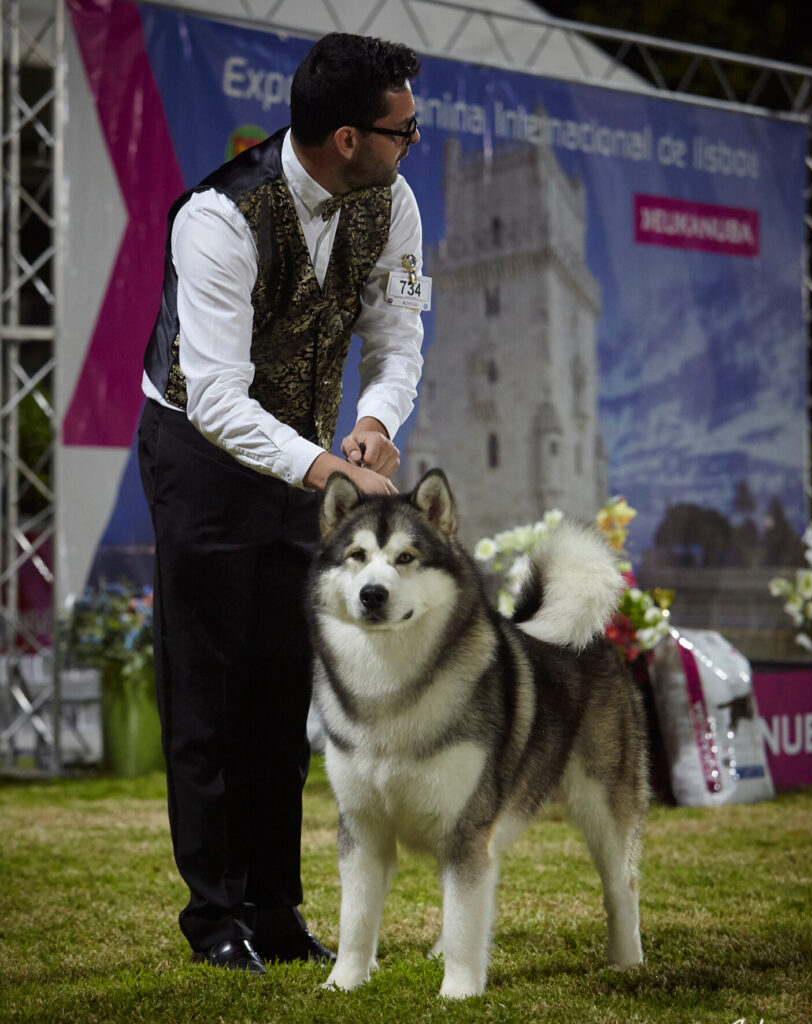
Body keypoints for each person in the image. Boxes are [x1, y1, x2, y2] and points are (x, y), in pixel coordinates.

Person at [137, 32, 424, 973]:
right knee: (208, 694)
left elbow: (395, 333)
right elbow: (215, 396)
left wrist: (375, 422)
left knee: (279, 692)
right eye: (401, 131)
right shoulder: (217, 218)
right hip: (200, 455)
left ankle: (273, 909)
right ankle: (212, 915)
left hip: (303, 461)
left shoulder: (392, 199)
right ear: (347, 137)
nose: (411, 144)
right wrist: (325, 473)